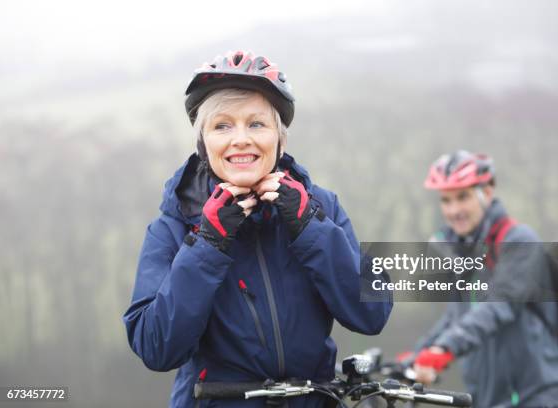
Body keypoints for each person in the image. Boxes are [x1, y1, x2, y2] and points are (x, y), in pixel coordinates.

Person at [122, 50, 392, 408]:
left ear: (280, 139)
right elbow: (156, 348)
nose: (241, 139)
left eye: (257, 124)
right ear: (203, 144)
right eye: (222, 126)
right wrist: (208, 243)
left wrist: (310, 225)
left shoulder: (322, 207)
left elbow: (371, 315)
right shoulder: (170, 227)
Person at [411, 150, 558, 407]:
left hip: (533, 394)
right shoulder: (459, 252)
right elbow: (456, 317)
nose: (454, 210)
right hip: (486, 398)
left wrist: (446, 348)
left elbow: (501, 304)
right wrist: (417, 355)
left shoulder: (519, 240)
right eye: (446, 200)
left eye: (463, 197)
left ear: (486, 192)